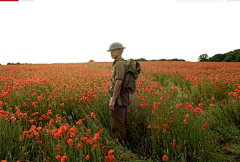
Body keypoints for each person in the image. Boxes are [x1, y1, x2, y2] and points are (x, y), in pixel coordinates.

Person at [107, 42, 132, 144]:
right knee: (124, 123)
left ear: (120, 51)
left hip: (119, 100)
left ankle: (121, 146)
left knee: (118, 125)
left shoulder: (119, 64)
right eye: (110, 51)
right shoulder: (122, 63)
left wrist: (113, 100)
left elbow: (119, 82)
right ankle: (128, 145)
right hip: (123, 98)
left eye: (113, 50)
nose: (111, 53)